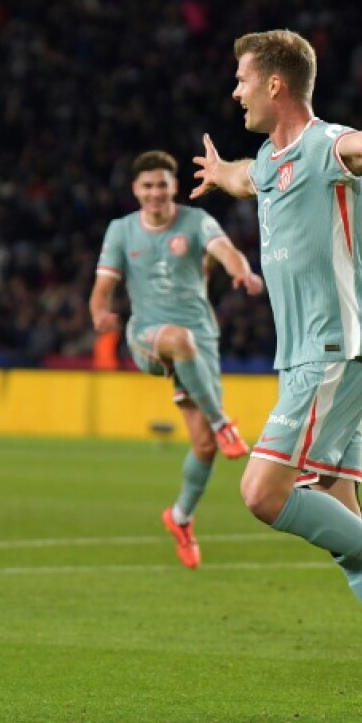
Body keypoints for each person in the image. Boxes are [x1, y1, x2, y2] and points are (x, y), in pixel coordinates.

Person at [188, 29, 362, 714]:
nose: (236, 89)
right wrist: (221, 175)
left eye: (242, 78)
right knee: (343, 533)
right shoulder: (269, 159)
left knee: (262, 492)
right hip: (310, 361)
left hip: (332, 354)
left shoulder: (322, 145)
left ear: (276, 84)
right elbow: (249, 180)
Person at [91, 150, 264, 570]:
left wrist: (242, 271)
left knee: (203, 447)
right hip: (149, 336)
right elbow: (103, 285)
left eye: (162, 184)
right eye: (147, 185)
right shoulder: (121, 231)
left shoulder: (196, 221)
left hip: (201, 341)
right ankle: (225, 423)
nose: (155, 192)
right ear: (136, 190)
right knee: (178, 340)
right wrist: (99, 312)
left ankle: (181, 517)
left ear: (173, 186)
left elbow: (226, 251)